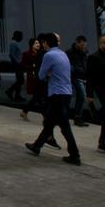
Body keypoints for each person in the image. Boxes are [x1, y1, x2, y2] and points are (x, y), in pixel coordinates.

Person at [24, 33, 82, 166]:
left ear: (46, 43)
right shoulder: (63, 54)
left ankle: (75, 154)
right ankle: (37, 145)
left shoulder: (49, 55)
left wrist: (49, 74)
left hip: (56, 93)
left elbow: (41, 75)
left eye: (43, 42)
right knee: (49, 122)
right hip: (66, 92)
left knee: (64, 126)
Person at [18, 38, 44, 121]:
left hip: (40, 77)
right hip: (32, 78)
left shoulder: (41, 53)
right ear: (31, 45)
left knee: (37, 97)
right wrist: (32, 67)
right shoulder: (26, 54)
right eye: (36, 43)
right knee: (38, 97)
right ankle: (46, 116)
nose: (38, 45)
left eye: (38, 43)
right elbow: (22, 65)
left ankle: (24, 111)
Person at [68, 36, 90, 127]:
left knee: (80, 97)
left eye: (84, 45)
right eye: (81, 45)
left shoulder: (84, 52)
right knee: (81, 95)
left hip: (82, 76)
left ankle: (77, 117)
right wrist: (77, 70)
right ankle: (77, 117)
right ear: (77, 42)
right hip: (74, 77)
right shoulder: (70, 53)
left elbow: (85, 63)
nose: (82, 47)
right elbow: (70, 66)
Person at [5, 31, 26, 102]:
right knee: (21, 80)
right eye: (21, 36)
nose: (22, 38)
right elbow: (11, 55)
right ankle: (10, 90)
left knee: (19, 80)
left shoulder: (15, 43)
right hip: (17, 64)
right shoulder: (13, 43)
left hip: (19, 64)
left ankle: (17, 95)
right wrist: (17, 62)